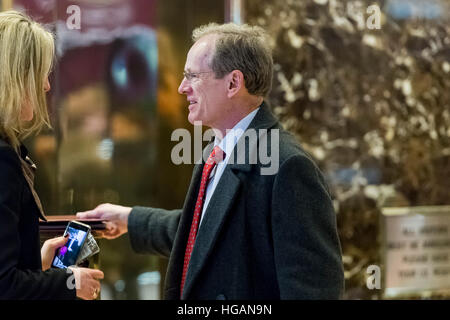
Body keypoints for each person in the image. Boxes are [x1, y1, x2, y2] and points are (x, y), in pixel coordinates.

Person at [78, 23, 344, 299]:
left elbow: (314, 291)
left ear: (233, 83)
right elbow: (205, 232)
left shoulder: (288, 166)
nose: (182, 88)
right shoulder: (216, 149)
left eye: (192, 76)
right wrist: (128, 220)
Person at [0, 10, 103, 300]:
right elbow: (5, 285)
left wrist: (34, 258)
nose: (46, 85)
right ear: (16, 77)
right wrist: (69, 283)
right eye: (41, 74)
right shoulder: (3, 160)